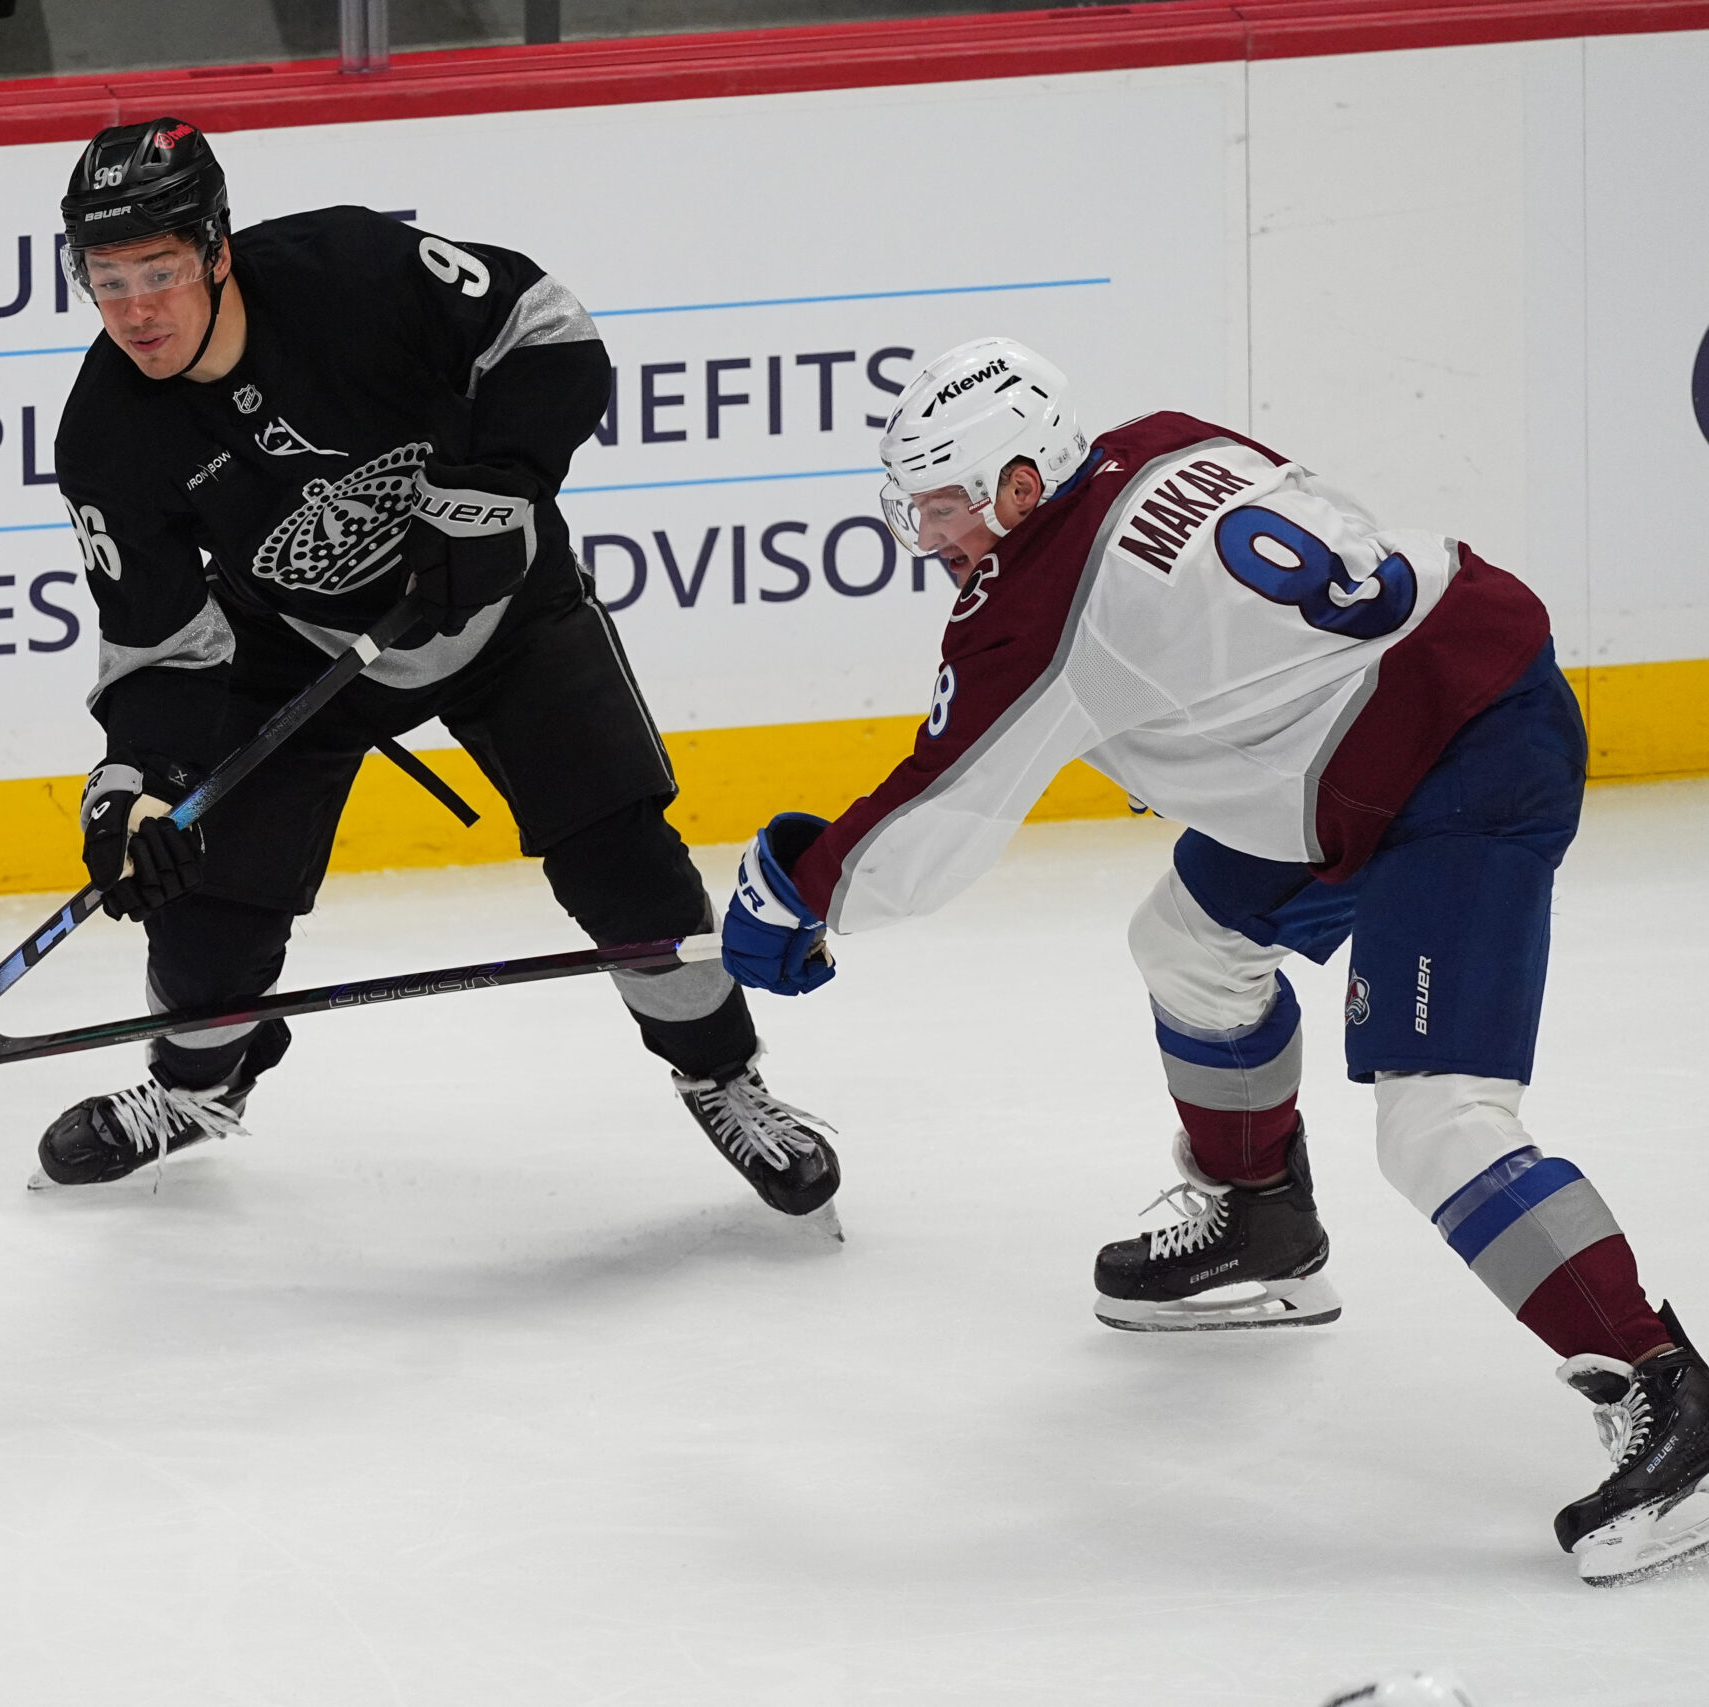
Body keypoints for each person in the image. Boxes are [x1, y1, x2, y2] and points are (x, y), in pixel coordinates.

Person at [717, 336, 1708, 1582]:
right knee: (1187, 947)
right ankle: (1263, 1221)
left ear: (1022, 486)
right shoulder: (1160, 439)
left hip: (1459, 761)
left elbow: (934, 822)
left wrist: (801, 896)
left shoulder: (1037, 610)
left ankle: (1666, 1386)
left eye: (946, 505)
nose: (932, 536)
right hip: (1377, 719)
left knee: (1438, 1121)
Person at [38, 117, 839, 1218]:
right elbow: (160, 642)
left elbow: (546, 329)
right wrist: (139, 787)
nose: (136, 310)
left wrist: (493, 488)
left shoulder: (349, 273)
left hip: (501, 608)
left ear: (218, 248)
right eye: (108, 278)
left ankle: (722, 1076)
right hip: (299, 656)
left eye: (161, 272)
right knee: (206, 904)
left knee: (627, 872)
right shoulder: (106, 435)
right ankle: (194, 1088)